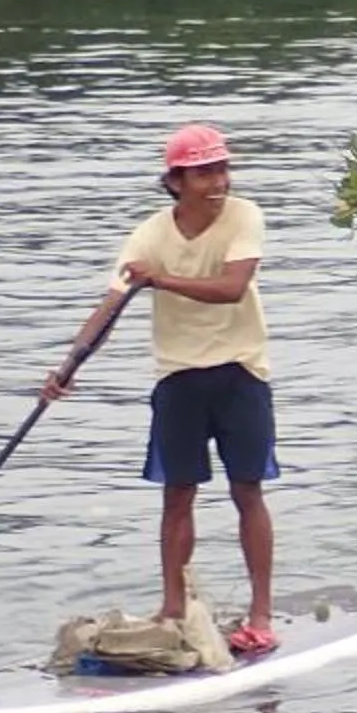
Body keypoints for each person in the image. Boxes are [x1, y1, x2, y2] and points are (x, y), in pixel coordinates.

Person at [44, 124, 280, 654]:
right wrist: (68, 368)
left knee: (248, 490)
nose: (218, 182)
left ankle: (261, 613)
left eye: (222, 169)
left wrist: (160, 280)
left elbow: (231, 288)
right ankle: (172, 609)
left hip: (242, 370)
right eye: (204, 173)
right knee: (177, 495)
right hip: (178, 376)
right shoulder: (149, 236)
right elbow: (111, 306)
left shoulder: (245, 216)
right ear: (176, 181)